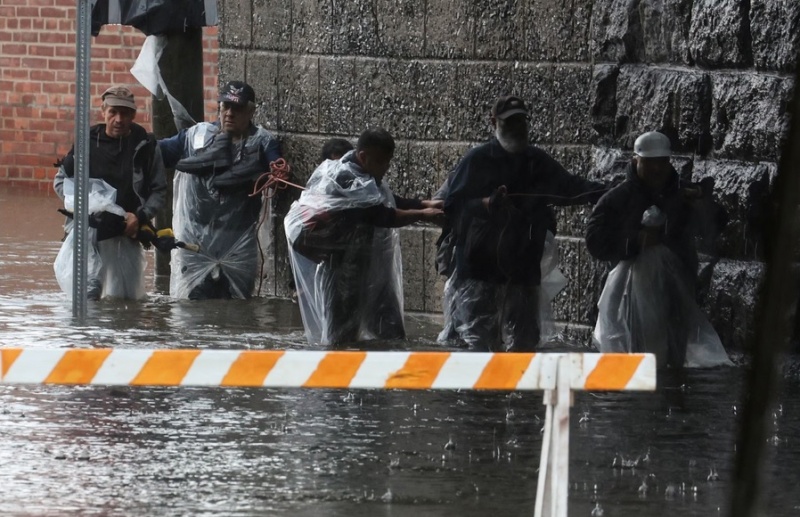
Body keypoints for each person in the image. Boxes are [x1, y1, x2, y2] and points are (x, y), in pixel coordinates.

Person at [444, 95, 607, 352]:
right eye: (510, 122)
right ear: (493, 122)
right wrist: (485, 204)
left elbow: (570, 188)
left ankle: (521, 391)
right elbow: (452, 206)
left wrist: (609, 194)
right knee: (479, 346)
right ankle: (481, 393)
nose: (517, 128)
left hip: (522, 268)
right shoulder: (477, 160)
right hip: (480, 270)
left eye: (521, 121)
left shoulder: (536, 162)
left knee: (525, 344)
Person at [285, 128, 443, 346]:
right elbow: (381, 214)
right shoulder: (345, 178)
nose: (385, 169)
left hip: (370, 269)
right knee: (342, 340)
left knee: (390, 334)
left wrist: (423, 204)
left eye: (387, 163)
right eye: (380, 162)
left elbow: (386, 199)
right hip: (342, 273)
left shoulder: (365, 176)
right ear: (363, 156)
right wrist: (423, 214)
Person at [586, 131, 731, 368]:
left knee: (674, 353)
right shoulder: (618, 197)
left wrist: (702, 203)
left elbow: (718, 223)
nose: (656, 169)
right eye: (649, 163)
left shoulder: (683, 194)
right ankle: (643, 398)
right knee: (641, 352)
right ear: (636, 161)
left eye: (662, 163)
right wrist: (636, 241)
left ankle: (669, 393)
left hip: (678, 284)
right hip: (631, 292)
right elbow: (594, 240)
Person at [159, 80, 282, 300]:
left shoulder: (262, 142)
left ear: (251, 111)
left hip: (237, 243)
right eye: (226, 107)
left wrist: (276, 173)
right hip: (196, 242)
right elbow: (158, 154)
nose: (230, 114)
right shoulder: (196, 137)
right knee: (193, 310)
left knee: (238, 311)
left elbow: (278, 166)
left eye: (237, 109)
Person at [53, 85, 166, 300]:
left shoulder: (146, 145)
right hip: (89, 234)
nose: (118, 119)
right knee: (88, 298)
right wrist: (87, 207)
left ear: (134, 115)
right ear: (103, 111)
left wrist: (139, 216)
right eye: (113, 112)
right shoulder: (86, 143)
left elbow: (159, 190)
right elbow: (61, 182)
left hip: (127, 234)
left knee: (126, 302)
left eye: (124, 113)